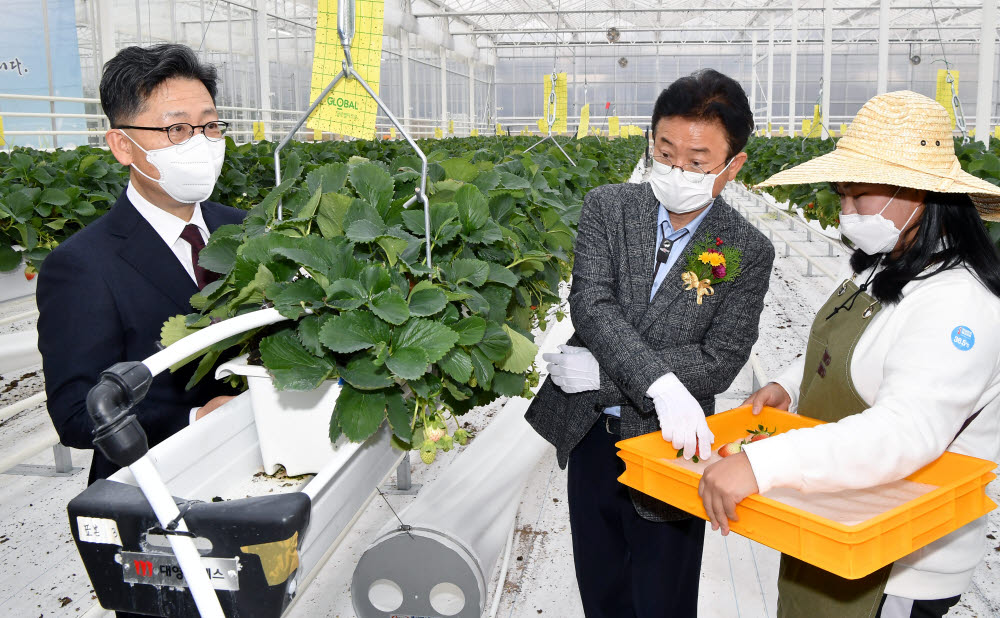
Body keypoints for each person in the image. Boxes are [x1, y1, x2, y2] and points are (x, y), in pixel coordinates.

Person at [699, 90, 1000, 618]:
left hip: (898, 560)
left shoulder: (959, 303)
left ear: (921, 194)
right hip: (837, 516)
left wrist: (763, 463)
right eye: (842, 195)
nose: (846, 212)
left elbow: (906, 432)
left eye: (859, 196)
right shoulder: (880, 264)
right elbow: (844, 344)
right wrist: (791, 385)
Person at [525, 69, 776, 617]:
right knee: (601, 585)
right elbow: (592, 304)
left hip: (674, 446)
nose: (676, 169)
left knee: (664, 595)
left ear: (733, 166)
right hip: (592, 432)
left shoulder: (746, 248)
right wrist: (661, 382)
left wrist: (611, 375)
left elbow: (720, 360)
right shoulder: (608, 208)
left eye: (697, 161)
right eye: (665, 151)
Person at [37, 44, 246, 486]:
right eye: (175, 130)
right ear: (122, 145)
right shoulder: (81, 266)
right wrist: (194, 418)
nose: (199, 143)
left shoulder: (247, 231)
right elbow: (78, 411)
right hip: (157, 487)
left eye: (209, 126)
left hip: (264, 455)